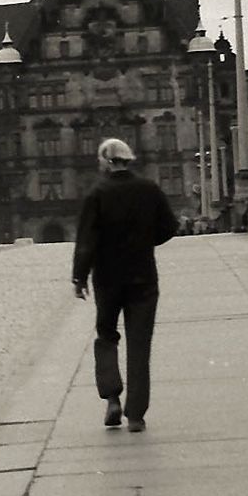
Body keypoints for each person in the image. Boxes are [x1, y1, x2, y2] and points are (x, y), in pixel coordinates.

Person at [72, 138, 178, 433]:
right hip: (143, 276)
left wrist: (79, 277)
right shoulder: (149, 190)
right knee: (139, 344)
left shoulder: (97, 194)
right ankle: (136, 415)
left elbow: (86, 242)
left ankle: (112, 397)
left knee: (106, 335)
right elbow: (170, 227)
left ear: (106, 161)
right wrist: (145, 241)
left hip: (107, 278)